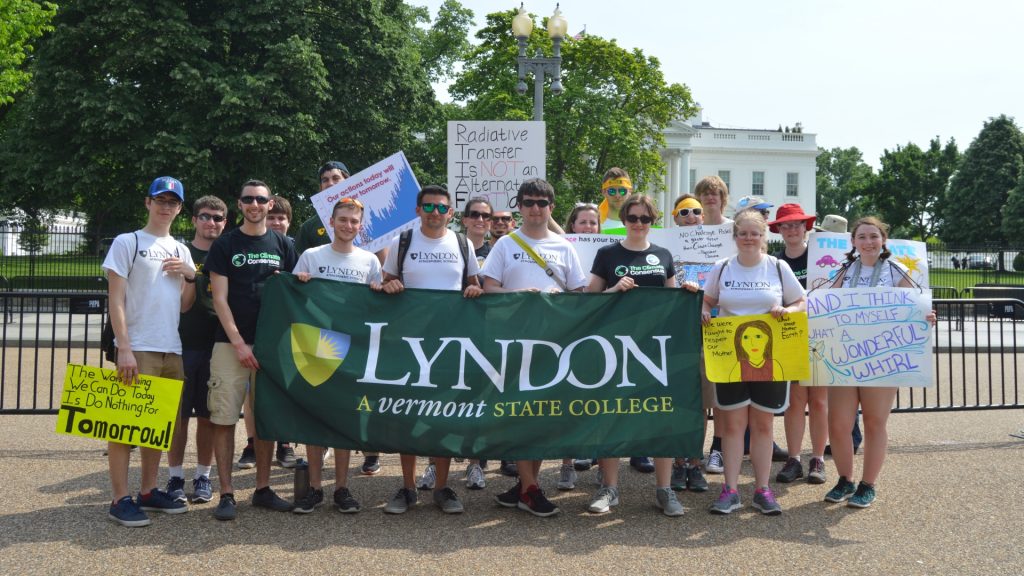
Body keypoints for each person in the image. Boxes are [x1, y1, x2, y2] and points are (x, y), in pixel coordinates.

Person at [482, 178, 588, 517]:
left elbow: (578, 295)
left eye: (542, 203)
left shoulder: (565, 246)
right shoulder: (505, 244)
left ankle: (526, 484)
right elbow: (488, 289)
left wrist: (561, 300)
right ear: (520, 206)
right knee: (518, 415)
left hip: (552, 345)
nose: (535, 208)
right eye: (529, 202)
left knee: (540, 415)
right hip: (513, 341)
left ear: (551, 208)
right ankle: (529, 488)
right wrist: (519, 296)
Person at [373, 185, 483, 514]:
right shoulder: (402, 242)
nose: (435, 213)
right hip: (410, 342)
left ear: (451, 213)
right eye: (429, 206)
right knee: (407, 414)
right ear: (418, 209)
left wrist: (474, 291)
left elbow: (473, 284)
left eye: (441, 208)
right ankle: (407, 488)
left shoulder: (463, 244)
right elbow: (386, 281)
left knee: (443, 414)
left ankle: (442, 487)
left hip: (450, 344)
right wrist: (388, 285)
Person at [585, 194, 696, 517]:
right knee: (610, 414)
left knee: (662, 415)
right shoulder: (607, 253)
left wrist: (686, 294)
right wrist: (613, 290)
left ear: (652, 222)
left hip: (655, 348)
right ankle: (610, 488)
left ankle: (664, 489)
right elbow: (587, 301)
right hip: (614, 347)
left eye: (645, 219)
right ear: (623, 220)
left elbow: (673, 298)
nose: (638, 224)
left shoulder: (663, 255)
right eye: (632, 218)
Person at [823, 217, 936, 508]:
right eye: (862, 237)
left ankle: (867, 484)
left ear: (883, 240)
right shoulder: (844, 271)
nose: (868, 242)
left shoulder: (895, 270)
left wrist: (926, 316)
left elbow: (917, 304)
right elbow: (824, 304)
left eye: (874, 236)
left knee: (874, 421)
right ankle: (845, 479)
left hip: (882, 356)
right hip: (845, 355)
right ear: (853, 242)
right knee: (838, 423)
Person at [102, 176, 196, 526]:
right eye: (161, 200)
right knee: (124, 427)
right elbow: (116, 298)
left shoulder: (182, 249)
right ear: (148, 203)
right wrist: (123, 346)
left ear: (179, 208)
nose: (166, 206)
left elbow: (186, 306)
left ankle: (147, 490)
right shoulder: (129, 241)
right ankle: (118, 498)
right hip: (137, 345)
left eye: (173, 201)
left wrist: (190, 276)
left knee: (156, 427)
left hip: (171, 347)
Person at [701, 209, 806, 516]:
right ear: (735, 237)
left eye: (755, 233)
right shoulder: (722, 268)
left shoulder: (777, 266)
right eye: (743, 233)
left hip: (772, 356)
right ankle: (730, 490)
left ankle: (762, 489)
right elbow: (708, 300)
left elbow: (801, 302)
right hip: (730, 357)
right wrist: (704, 311)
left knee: (762, 425)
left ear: (764, 238)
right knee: (732, 426)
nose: (748, 238)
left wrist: (788, 311)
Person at [205, 180, 299, 521]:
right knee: (224, 418)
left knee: (265, 419)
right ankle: (227, 492)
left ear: (271, 203)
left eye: (261, 199)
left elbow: (296, 291)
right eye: (248, 199)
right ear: (239, 203)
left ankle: (261, 488)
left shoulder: (284, 244)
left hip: (271, 347)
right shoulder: (225, 244)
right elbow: (219, 299)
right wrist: (239, 343)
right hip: (230, 344)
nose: (255, 204)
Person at [290, 160, 383, 476]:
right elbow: (290, 297)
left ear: (360, 226)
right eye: (342, 220)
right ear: (331, 222)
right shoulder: (310, 255)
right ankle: (315, 487)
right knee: (316, 417)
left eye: (353, 221)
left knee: (346, 416)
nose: (347, 225)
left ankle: (341, 487)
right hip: (317, 344)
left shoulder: (370, 260)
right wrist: (298, 284)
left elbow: (377, 303)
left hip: (354, 345)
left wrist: (379, 289)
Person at [166, 195, 227, 506]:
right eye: (205, 216)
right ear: (193, 220)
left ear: (225, 222)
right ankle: (175, 474)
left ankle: (203, 474)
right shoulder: (178, 251)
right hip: (180, 343)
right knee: (177, 417)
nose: (211, 222)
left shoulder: (228, 253)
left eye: (217, 218)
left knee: (208, 417)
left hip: (216, 344)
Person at [769, 204, 828, 486]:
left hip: (821, 336)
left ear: (806, 227)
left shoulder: (822, 258)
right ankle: (794, 459)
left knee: (818, 401)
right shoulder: (774, 264)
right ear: (778, 230)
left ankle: (817, 457)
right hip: (789, 338)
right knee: (794, 403)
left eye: (796, 224)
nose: (792, 229)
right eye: (786, 225)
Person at [239, 193, 297, 470]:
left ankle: (284, 442)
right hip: (253, 329)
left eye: (281, 218)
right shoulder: (248, 244)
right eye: (272, 217)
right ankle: (252, 442)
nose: (276, 222)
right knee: (252, 394)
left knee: (281, 392)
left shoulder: (289, 248)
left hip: (282, 333)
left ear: (288, 221)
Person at [666, 194, 713, 494]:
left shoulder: (719, 250)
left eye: (697, 211)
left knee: (701, 404)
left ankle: (695, 463)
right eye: (684, 212)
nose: (692, 216)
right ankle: (676, 462)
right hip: (674, 335)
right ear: (675, 218)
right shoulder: (665, 249)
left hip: (707, 333)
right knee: (676, 402)